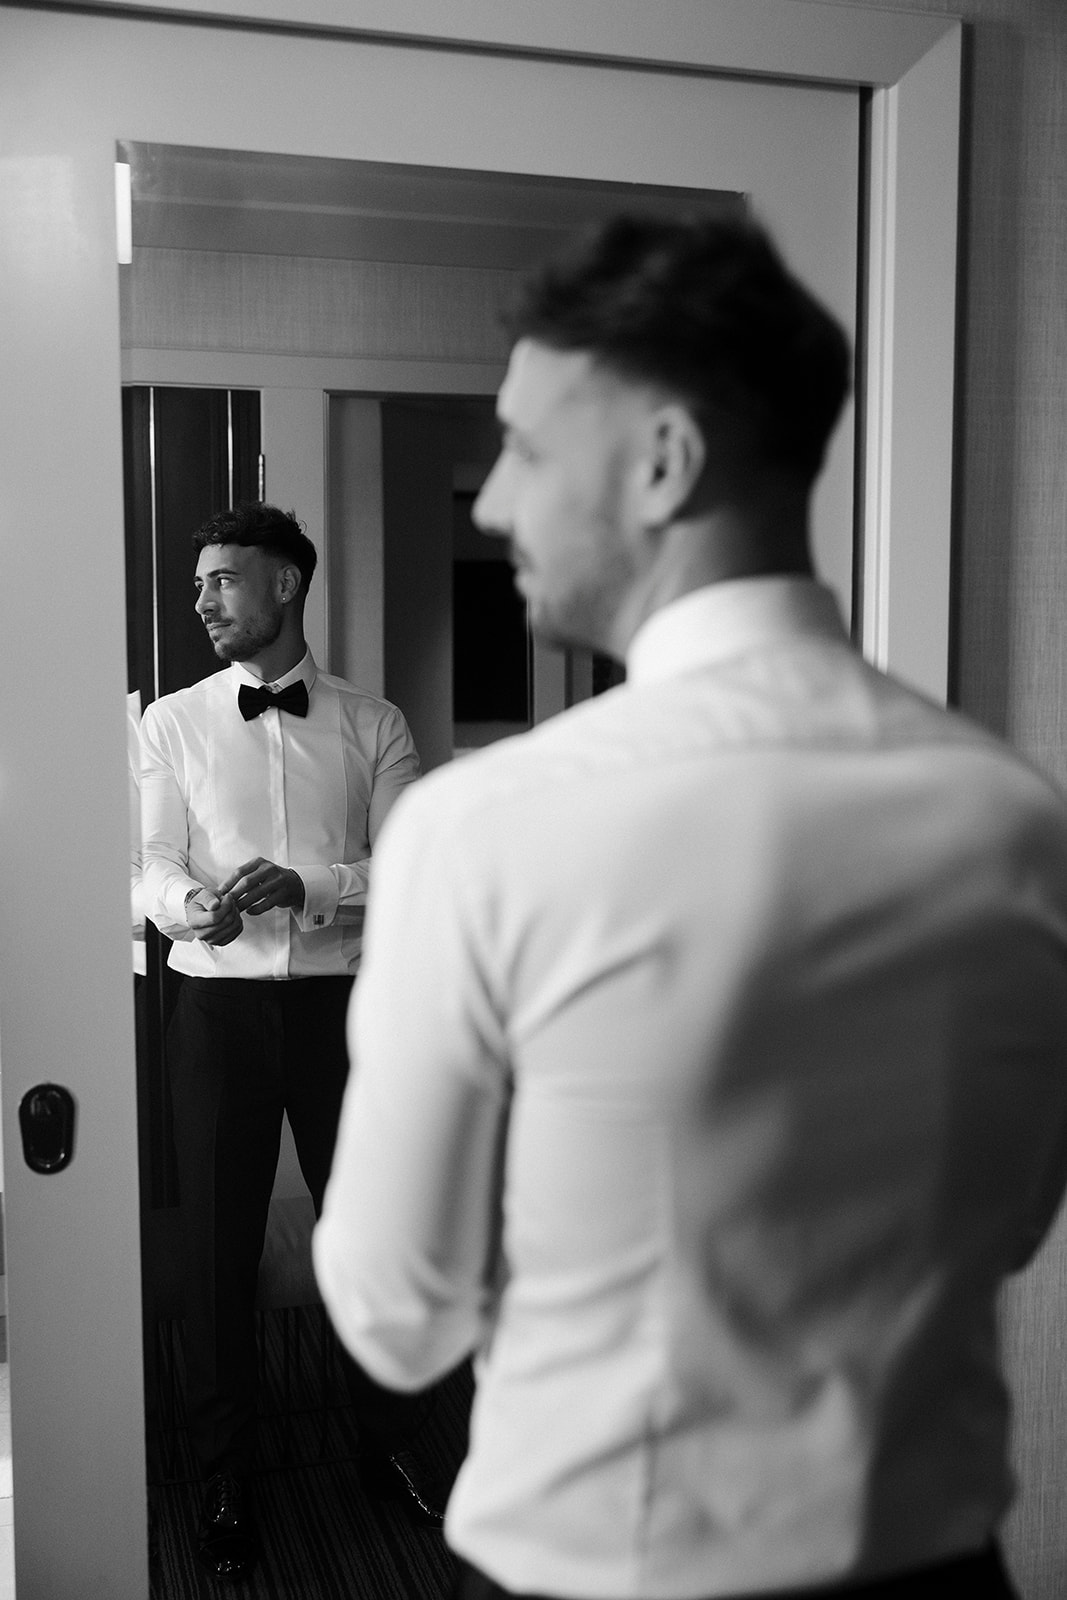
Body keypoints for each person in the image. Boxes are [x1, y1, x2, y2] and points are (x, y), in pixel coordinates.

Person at [313, 213, 1067, 1600]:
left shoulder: (486, 831)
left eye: (525, 449)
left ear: (661, 462)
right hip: (941, 1577)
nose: (487, 504)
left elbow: (393, 1318)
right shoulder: (1017, 821)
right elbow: (1008, 1220)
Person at [140, 501, 441, 1584]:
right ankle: (225, 1474)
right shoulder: (169, 723)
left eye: (223, 579)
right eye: (199, 583)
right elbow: (150, 861)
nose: (203, 599)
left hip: (342, 1012)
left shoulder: (375, 723)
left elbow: (409, 864)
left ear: (284, 585)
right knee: (216, 1250)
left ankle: (393, 1443)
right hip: (212, 1011)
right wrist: (189, 906)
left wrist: (309, 885)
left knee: (371, 1233)